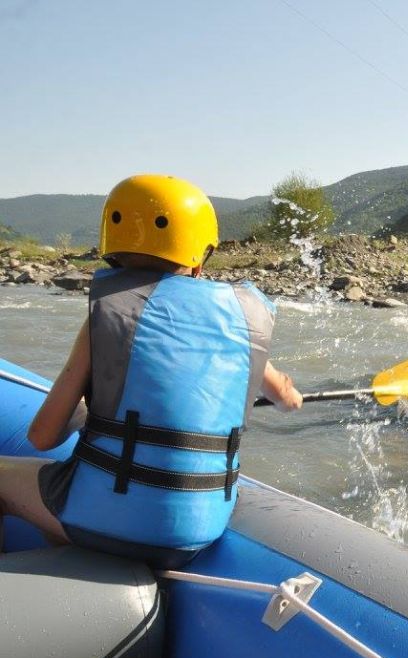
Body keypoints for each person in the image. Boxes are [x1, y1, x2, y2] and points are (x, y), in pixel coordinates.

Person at [0, 175, 303, 569]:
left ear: (112, 247)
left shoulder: (112, 312)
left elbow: (42, 437)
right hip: (200, 529)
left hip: (109, 519)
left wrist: (86, 415)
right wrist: (287, 396)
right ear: (200, 256)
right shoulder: (242, 321)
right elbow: (287, 399)